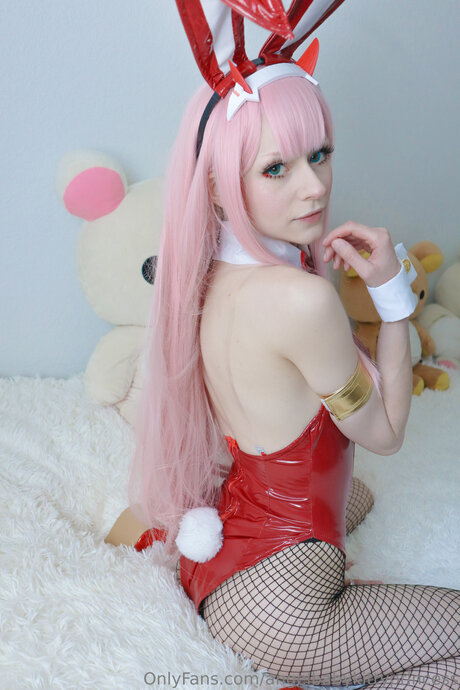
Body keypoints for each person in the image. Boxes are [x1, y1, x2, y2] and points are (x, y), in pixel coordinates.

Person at [110, 69, 460, 689]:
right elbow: (386, 434)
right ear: (219, 188)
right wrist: (393, 298)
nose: (314, 186)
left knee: (361, 496)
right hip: (282, 610)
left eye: (320, 155)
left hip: (222, 560)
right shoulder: (301, 300)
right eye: (277, 169)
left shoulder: (204, 275)